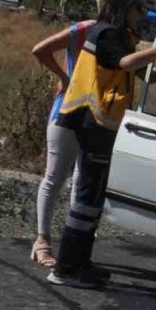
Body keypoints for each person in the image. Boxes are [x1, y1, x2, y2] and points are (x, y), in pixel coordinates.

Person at [48, 0, 156, 289]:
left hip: (103, 125)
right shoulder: (106, 33)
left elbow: (141, 74)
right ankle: (66, 269)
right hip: (91, 121)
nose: (142, 15)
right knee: (86, 199)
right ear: (123, 7)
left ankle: (81, 262)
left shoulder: (120, 37)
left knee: (93, 198)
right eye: (139, 8)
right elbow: (125, 63)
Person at [28, 16, 97, 267]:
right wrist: (64, 76)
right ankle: (42, 240)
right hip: (67, 111)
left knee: (80, 181)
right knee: (55, 177)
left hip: (95, 116)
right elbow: (40, 49)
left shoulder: (118, 36)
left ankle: (71, 245)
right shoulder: (83, 30)